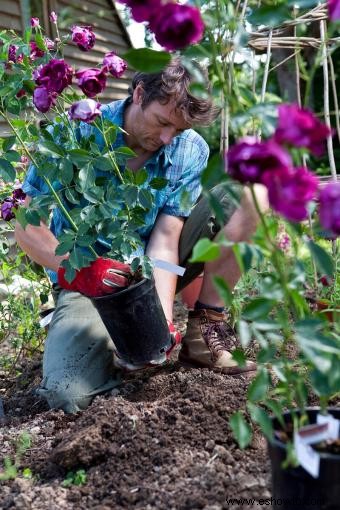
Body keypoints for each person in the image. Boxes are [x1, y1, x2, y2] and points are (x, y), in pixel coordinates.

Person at [15, 59, 268, 413]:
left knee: (253, 194)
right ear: (138, 94)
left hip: (152, 266)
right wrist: (85, 272)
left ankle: (204, 330)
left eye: (177, 131)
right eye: (163, 122)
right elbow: (26, 226)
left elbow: (166, 236)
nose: (167, 138)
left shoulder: (189, 149)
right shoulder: (74, 132)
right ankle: (96, 338)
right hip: (87, 281)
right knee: (66, 394)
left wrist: (159, 323)